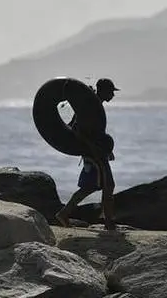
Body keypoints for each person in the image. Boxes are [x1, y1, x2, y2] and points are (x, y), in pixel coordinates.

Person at [55, 78, 119, 230]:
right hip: (92, 152)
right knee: (106, 185)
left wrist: (107, 150)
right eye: (111, 91)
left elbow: (96, 131)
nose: (113, 95)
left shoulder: (94, 104)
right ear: (102, 90)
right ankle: (108, 222)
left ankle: (65, 213)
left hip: (95, 151)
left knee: (94, 186)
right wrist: (92, 148)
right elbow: (76, 128)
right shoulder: (90, 105)